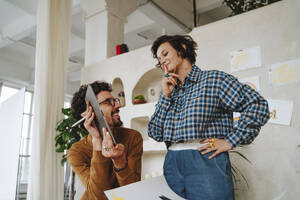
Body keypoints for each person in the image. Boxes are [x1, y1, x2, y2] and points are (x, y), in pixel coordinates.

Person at [148, 35, 270, 200]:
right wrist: (166, 97)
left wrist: (229, 141)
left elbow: (257, 104)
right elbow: (154, 132)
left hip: (205, 160)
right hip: (172, 164)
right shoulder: (169, 92)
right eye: (159, 58)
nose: (162, 61)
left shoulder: (214, 80)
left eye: (165, 53)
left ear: (182, 49)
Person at [67, 81, 143, 200]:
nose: (118, 106)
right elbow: (98, 195)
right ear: (90, 112)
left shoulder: (132, 137)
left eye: (115, 101)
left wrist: (119, 162)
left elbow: (132, 191)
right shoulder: (76, 152)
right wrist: (97, 142)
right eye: (108, 102)